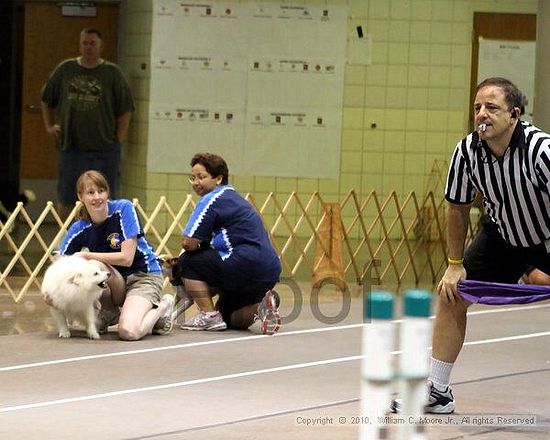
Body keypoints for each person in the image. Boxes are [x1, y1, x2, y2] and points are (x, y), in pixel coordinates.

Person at [430, 77, 550, 413]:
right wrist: (455, 264)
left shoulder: (542, 151)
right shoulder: (466, 152)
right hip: (502, 236)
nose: (482, 114)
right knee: (452, 294)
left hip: (546, 236)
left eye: (492, 107)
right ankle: (437, 390)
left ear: (515, 114)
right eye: (477, 107)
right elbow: (457, 207)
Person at [55, 170, 174, 340]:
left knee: (128, 332)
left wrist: (88, 256)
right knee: (88, 271)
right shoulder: (79, 227)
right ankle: (110, 310)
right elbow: (62, 265)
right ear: (80, 196)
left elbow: (127, 258)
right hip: (115, 282)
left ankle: (162, 307)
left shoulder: (124, 209)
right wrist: (51, 292)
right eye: (90, 193)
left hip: (143, 276)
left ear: (107, 192)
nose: (97, 197)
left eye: (101, 191)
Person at [173, 153, 282, 334]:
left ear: (218, 178)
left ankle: (208, 316)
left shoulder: (212, 198)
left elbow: (188, 242)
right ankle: (262, 307)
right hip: (269, 270)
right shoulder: (236, 198)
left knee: (187, 261)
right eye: (192, 178)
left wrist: (202, 246)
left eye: (201, 177)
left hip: (242, 262)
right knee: (228, 316)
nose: (195, 182)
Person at [40, 28, 135, 218]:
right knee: (68, 196)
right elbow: (46, 98)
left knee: (106, 196)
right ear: (80, 45)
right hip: (71, 146)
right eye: (85, 43)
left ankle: (105, 237)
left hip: (105, 147)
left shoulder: (112, 73)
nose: (88, 47)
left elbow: (126, 109)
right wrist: (49, 126)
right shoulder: (65, 69)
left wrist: (118, 137)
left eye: (92, 43)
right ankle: (67, 238)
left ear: (101, 46)